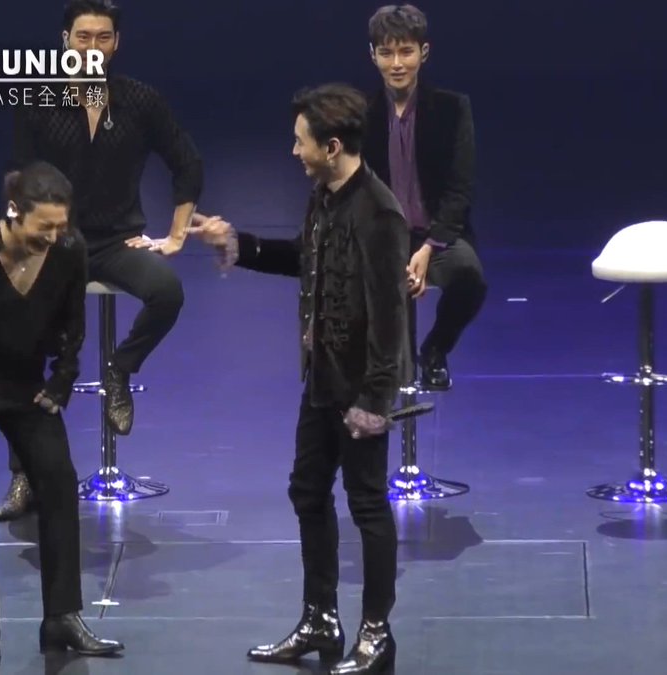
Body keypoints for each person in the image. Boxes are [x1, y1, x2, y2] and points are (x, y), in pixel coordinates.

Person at [187, 83, 404, 674]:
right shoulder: (324, 196)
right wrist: (239, 244)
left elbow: (390, 315)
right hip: (322, 380)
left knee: (367, 504)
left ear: (331, 147)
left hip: (359, 389)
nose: (293, 151)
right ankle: (320, 618)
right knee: (308, 492)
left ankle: (377, 635)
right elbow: (306, 261)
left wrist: (374, 400)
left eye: (300, 142)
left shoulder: (379, 212)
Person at [0, 0, 204, 520]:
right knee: (21, 348)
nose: (92, 47)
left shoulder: (139, 101)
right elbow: (17, 176)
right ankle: (24, 476)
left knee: (167, 292)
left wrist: (175, 235)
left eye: (103, 38)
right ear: (65, 41)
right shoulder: (37, 98)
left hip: (116, 243)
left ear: (116, 43)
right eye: (83, 37)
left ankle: (120, 369)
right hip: (53, 245)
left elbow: (187, 163)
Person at [0, 161, 124, 664]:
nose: (52, 238)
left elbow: (73, 323)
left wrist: (62, 379)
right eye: (43, 227)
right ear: (14, 211)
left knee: (58, 482)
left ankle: (62, 617)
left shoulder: (69, 250)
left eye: (60, 226)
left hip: (26, 385)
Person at [362, 4, 487, 391]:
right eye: (387, 53)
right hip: (381, 237)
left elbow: (459, 189)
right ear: (373, 55)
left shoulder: (452, 108)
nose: (397, 63)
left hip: (437, 236)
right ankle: (382, 367)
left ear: (424, 52)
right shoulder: (359, 113)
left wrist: (430, 247)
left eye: (406, 52)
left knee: (469, 278)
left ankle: (434, 350)